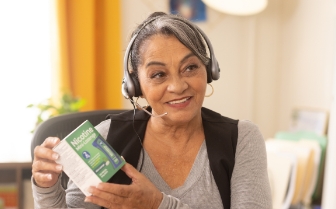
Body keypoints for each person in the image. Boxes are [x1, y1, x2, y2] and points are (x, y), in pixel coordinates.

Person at [32, 12, 272, 209]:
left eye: (190, 67)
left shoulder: (241, 139)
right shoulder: (104, 140)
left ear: (209, 71)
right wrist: (47, 188)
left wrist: (159, 205)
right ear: (136, 87)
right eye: (158, 74)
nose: (178, 86)